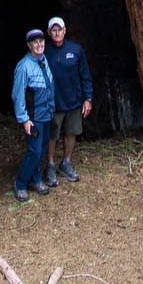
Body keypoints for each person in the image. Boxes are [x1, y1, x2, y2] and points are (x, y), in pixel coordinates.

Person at [44, 15, 92, 183]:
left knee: (71, 132)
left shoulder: (76, 50)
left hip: (73, 101)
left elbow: (85, 75)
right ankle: (50, 165)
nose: (57, 33)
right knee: (52, 135)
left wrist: (88, 98)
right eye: (54, 30)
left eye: (60, 30)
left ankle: (66, 162)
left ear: (65, 31)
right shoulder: (44, 51)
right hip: (53, 102)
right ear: (49, 33)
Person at [11, 28, 55, 201]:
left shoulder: (44, 61)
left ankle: (35, 180)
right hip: (34, 117)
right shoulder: (24, 66)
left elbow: (49, 87)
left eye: (41, 41)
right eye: (35, 42)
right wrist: (24, 119)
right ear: (29, 45)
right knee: (34, 151)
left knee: (42, 148)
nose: (39, 45)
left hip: (46, 114)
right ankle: (20, 183)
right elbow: (18, 94)